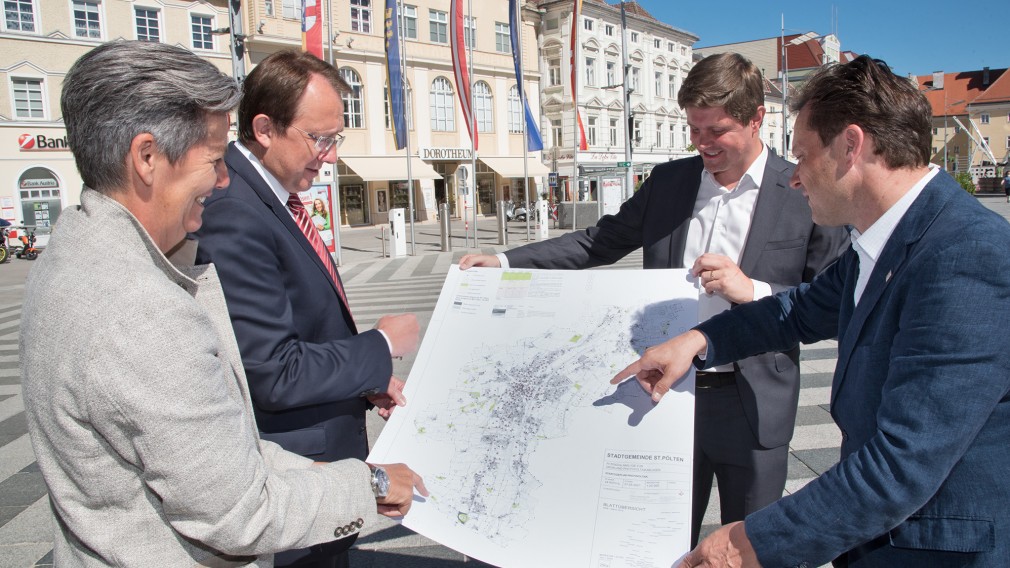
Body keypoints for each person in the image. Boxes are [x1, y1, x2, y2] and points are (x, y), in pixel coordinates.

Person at [19, 41, 426, 568]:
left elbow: (216, 454)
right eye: (214, 160)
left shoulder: (70, 256)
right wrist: (371, 485)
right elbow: (238, 512)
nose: (224, 178)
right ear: (146, 157)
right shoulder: (142, 314)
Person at [616, 55, 1010, 567]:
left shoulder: (966, 254)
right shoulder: (883, 242)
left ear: (851, 146)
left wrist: (746, 545)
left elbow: (901, 464)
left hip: (936, 549)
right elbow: (797, 310)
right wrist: (697, 342)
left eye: (802, 156)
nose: (795, 178)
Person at [460, 52, 848, 545]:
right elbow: (597, 242)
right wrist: (506, 261)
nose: (703, 143)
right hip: (665, 394)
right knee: (655, 543)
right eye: (694, 129)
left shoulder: (800, 189)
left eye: (717, 130)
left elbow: (832, 300)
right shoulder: (669, 182)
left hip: (751, 402)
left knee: (749, 547)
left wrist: (753, 291)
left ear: (756, 120)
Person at [193, 50, 420, 568]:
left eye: (335, 138)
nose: (331, 156)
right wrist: (380, 347)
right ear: (266, 128)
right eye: (320, 138)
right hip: (294, 470)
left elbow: (301, 325)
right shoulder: (235, 210)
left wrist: (363, 379)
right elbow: (272, 370)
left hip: (318, 461)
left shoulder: (268, 195)